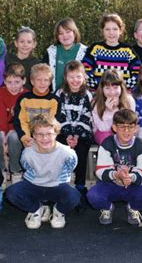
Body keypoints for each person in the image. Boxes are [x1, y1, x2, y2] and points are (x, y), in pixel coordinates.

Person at [6, 114, 81, 229]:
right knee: (12, 192)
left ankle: (58, 211)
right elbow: (26, 166)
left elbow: (71, 165)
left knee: (74, 196)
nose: (45, 138)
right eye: (40, 134)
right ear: (33, 135)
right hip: (35, 185)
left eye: (49, 134)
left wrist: (59, 178)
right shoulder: (27, 153)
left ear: (56, 133)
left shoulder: (67, 152)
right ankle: (36, 209)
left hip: (57, 185)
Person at [87, 109, 142, 226]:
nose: (126, 131)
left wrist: (130, 177)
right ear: (114, 128)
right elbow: (100, 171)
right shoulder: (107, 143)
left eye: (130, 127)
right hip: (110, 184)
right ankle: (107, 208)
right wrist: (116, 175)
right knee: (93, 195)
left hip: (131, 184)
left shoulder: (139, 145)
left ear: (136, 128)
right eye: (122, 127)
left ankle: (133, 208)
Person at [55, 60, 93, 196]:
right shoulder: (60, 93)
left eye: (78, 76)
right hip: (63, 131)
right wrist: (68, 135)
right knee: (61, 149)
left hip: (82, 132)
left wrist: (76, 135)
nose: (75, 80)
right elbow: (60, 115)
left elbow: (86, 116)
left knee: (81, 151)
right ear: (65, 78)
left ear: (84, 77)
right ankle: (62, 182)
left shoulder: (87, 95)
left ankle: (80, 184)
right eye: (71, 77)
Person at [0, 63, 28, 183]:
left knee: (15, 137)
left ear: (24, 81)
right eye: (9, 82)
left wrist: (10, 130)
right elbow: (0, 115)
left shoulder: (26, 95)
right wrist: (3, 134)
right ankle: (0, 170)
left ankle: (15, 170)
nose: (13, 86)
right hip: (0, 125)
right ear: (4, 81)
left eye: (17, 82)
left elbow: (22, 118)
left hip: (18, 127)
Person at [83, 13, 140, 90]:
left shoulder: (127, 50)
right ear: (102, 31)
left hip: (121, 95)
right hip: (98, 94)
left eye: (115, 29)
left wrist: (123, 88)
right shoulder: (95, 48)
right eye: (107, 29)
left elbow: (138, 72)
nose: (111, 33)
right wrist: (99, 88)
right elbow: (84, 70)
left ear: (120, 30)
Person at [13, 63, 60, 150]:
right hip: (28, 136)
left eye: (46, 80)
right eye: (39, 80)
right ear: (32, 81)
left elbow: (54, 123)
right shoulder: (24, 99)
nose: (42, 83)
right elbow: (20, 121)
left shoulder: (54, 101)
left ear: (50, 82)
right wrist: (26, 138)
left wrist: (43, 137)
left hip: (46, 137)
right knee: (14, 137)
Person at [91, 69, 136, 145]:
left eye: (115, 88)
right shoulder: (96, 103)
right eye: (107, 88)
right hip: (102, 132)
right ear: (102, 89)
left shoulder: (129, 100)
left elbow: (130, 123)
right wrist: (109, 111)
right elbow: (103, 128)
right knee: (108, 140)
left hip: (124, 131)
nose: (112, 92)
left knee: (127, 138)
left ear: (121, 87)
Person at [43, 18, 88, 92]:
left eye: (68, 32)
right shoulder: (51, 52)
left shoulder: (85, 51)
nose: (65, 35)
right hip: (54, 96)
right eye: (61, 33)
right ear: (57, 36)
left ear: (74, 32)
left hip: (78, 96)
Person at [5, 26, 41, 91]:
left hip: (28, 99)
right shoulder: (7, 59)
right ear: (16, 43)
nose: (25, 45)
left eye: (29, 42)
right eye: (22, 41)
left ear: (34, 44)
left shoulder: (37, 64)